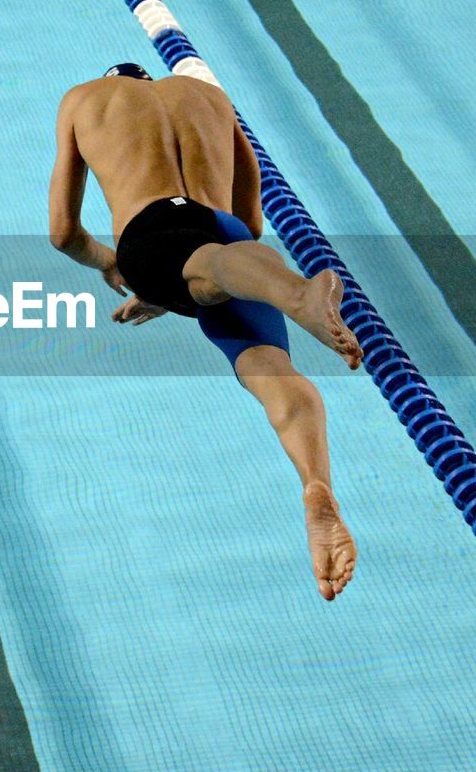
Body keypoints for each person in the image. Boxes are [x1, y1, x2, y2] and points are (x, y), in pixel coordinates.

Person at [48, 63, 363, 600]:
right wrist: (182, 282)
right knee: (268, 361)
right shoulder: (207, 96)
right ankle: (317, 483)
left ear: (113, 79)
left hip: (154, 234)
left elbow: (63, 233)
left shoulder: (85, 97)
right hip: (226, 239)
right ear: (150, 79)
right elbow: (251, 224)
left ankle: (298, 298)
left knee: (223, 290)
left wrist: (111, 264)